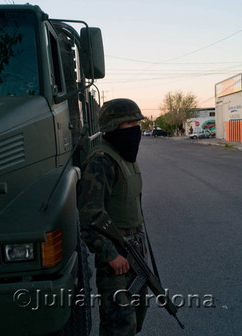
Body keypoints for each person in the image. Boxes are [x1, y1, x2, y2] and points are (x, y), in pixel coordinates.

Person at [78, 98, 148, 336]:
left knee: (136, 317)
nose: (135, 128)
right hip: (117, 256)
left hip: (135, 250)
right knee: (119, 324)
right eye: (128, 123)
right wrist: (111, 255)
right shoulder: (101, 162)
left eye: (135, 122)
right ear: (112, 127)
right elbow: (88, 217)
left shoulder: (125, 158)